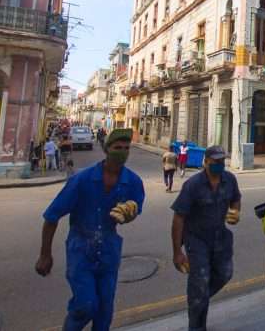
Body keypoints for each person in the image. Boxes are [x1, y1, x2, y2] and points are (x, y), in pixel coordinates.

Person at [35, 129, 145, 331]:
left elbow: (133, 211)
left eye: (126, 148)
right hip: (81, 252)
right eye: (117, 147)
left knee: (105, 312)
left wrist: (130, 217)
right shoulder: (82, 180)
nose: (122, 151)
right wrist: (45, 254)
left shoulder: (133, 182)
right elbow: (51, 217)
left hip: (109, 253)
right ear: (106, 149)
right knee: (85, 306)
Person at [171, 146, 241, 331]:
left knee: (225, 273)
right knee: (200, 282)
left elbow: (236, 198)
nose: (220, 165)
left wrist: (235, 211)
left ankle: (197, 298)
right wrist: (177, 252)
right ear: (206, 162)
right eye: (216, 162)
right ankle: (196, 325)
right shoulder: (193, 185)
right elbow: (179, 218)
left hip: (221, 238)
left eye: (222, 161)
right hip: (197, 240)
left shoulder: (229, 179)